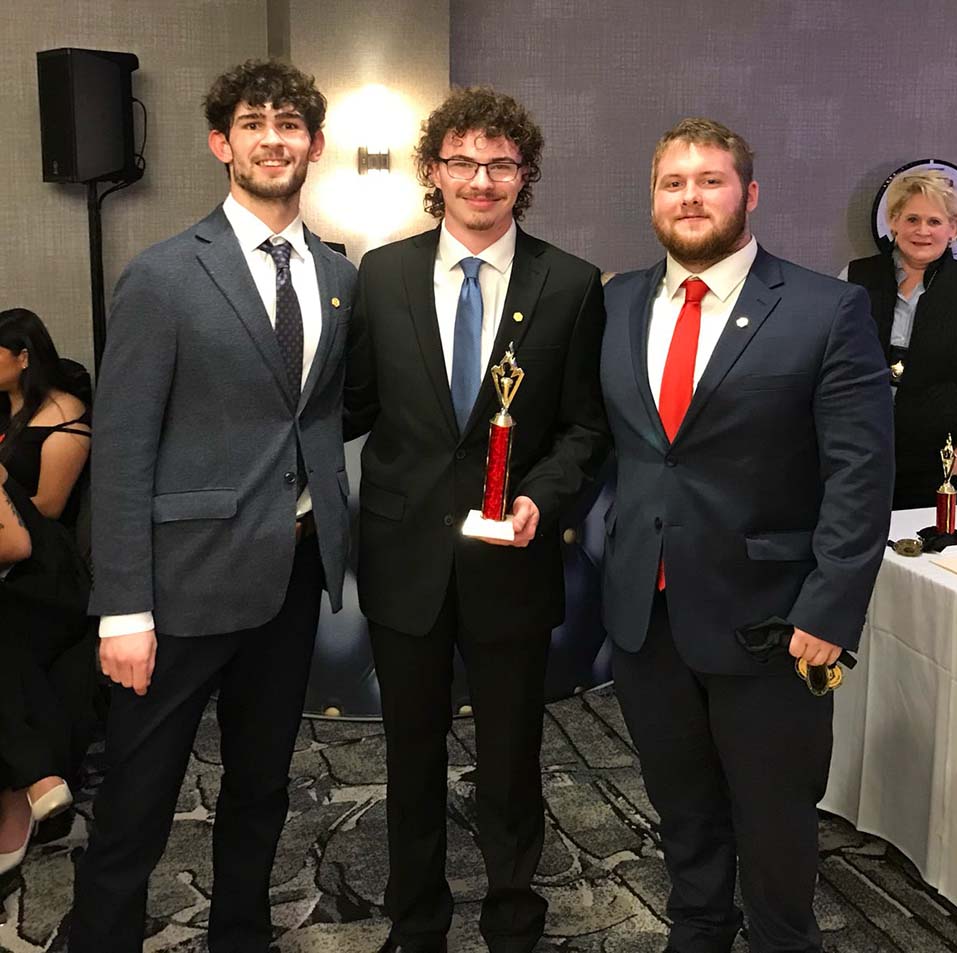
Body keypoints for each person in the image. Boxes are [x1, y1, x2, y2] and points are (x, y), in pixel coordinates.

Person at [70, 59, 356, 953]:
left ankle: (243, 933)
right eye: (253, 122)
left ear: (314, 143)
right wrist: (124, 606)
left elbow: (318, 409)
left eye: (291, 123)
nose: (273, 137)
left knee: (262, 782)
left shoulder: (338, 273)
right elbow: (120, 450)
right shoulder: (163, 275)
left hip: (292, 567)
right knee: (139, 797)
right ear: (220, 142)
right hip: (181, 585)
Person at [600, 118, 893, 953]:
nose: (690, 195)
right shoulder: (617, 301)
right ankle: (695, 934)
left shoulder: (825, 308)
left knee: (774, 825)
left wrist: (832, 611)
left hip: (772, 623)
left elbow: (860, 475)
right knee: (682, 812)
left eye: (711, 179)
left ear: (749, 193)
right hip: (647, 618)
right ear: (653, 197)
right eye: (672, 182)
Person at [344, 87, 609, 953]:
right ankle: (416, 920)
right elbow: (351, 403)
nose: (481, 178)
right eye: (463, 161)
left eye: (500, 163)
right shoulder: (380, 274)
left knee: (510, 756)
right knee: (410, 754)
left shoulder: (569, 282)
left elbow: (585, 425)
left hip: (513, 553)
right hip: (404, 553)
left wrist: (544, 493)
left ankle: (513, 917)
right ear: (434, 172)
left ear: (523, 174)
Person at [0, 308, 93, 874]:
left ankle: (26, 786)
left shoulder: (65, 415)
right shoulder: (5, 411)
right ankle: (38, 779)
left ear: (24, 356)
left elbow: (51, 512)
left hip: (48, 570)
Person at [843, 171, 957, 508]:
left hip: (940, 460)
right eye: (912, 218)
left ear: (953, 229)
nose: (922, 231)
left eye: (935, 221)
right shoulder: (853, 279)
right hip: (859, 454)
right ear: (893, 222)